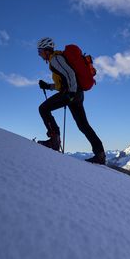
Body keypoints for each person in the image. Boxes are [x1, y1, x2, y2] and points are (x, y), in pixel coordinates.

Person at [37, 37, 106, 165]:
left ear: (46, 50)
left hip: (71, 93)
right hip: (77, 93)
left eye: (40, 51)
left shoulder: (55, 59)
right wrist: (48, 86)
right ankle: (100, 154)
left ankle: (54, 141)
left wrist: (71, 93)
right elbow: (62, 83)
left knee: (43, 108)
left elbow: (70, 74)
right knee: (83, 125)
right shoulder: (57, 59)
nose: (39, 54)